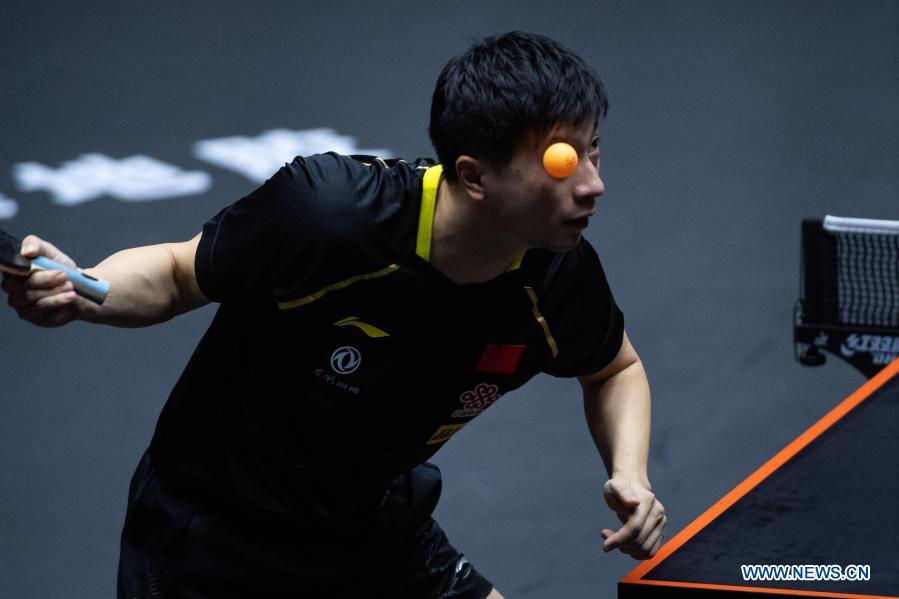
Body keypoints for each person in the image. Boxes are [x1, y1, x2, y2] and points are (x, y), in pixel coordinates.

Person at [2, 31, 665, 599]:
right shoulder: (329, 218)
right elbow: (179, 272)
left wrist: (629, 472)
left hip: (368, 526)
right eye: (560, 159)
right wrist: (84, 290)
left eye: (594, 150)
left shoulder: (555, 278)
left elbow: (613, 368)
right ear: (473, 175)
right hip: (213, 537)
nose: (592, 183)